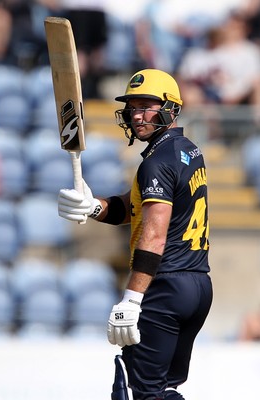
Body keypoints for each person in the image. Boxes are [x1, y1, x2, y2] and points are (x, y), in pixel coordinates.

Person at [58, 69, 213, 400]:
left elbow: (154, 235)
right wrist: (93, 206)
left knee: (135, 392)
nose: (138, 115)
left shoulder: (156, 163)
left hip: (165, 286)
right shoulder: (186, 150)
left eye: (147, 106)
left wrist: (132, 299)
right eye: (133, 106)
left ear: (170, 108)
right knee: (163, 391)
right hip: (197, 285)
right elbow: (133, 209)